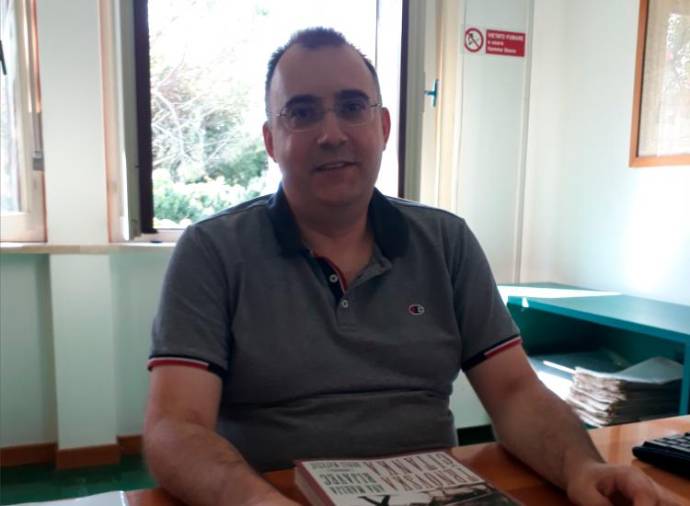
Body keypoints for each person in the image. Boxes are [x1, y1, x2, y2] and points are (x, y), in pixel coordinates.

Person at [144, 27, 676, 506]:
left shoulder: (446, 242)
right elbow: (175, 427)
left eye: (352, 106)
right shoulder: (211, 251)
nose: (332, 133)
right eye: (302, 113)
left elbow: (515, 393)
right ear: (270, 140)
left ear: (382, 126)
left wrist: (583, 468)